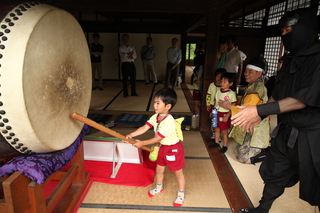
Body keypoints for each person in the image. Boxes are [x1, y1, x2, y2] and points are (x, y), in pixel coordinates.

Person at [232, 9, 320, 213]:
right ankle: (262, 209)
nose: (284, 36)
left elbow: (302, 99)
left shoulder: (317, 59)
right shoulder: (290, 59)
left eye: (289, 30)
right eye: (282, 31)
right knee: (275, 172)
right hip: (286, 129)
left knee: (316, 180)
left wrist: (260, 109)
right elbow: (278, 94)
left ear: (305, 30)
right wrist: (259, 114)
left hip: (312, 134)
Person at [125, 88, 185, 207]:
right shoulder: (156, 116)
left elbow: (158, 138)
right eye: (154, 102)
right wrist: (130, 135)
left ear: (168, 106)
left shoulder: (169, 121)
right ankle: (158, 187)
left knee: (178, 173)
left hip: (173, 149)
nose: (155, 105)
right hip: (161, 148)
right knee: (159, 170)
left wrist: (142, 143)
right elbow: (144, 127)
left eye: (158, 103)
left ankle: (181, 194)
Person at [220, 57, 270, 164]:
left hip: (255, 125)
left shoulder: (256, 89)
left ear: (259, 73)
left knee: (242, 158)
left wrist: (229, 106)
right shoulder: (254, 85)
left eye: (250, 72)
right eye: (246, 71)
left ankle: (267, 152)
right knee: (238, 149)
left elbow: (247, 111)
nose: (246, 74)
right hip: (249, 122)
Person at [209, 72, 237, 153]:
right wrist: (213, 111)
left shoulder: (231, 94)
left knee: (224, 131)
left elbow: (233, 106)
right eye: (221, 81)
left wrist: (227, 116)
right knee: (216, 129)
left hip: (224, 114)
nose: (222, 83)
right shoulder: (218, 92)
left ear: (231, 83)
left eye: (225, 82)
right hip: (216, 112)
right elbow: (216, 102)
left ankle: (225, 146)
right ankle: (216, 142)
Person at [206, 68, 227, 140]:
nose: (218, 78)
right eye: (217, 76)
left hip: (221, 107)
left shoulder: (224, 86)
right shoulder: (211, 85)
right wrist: (208, 104)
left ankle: (219, 135)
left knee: (220, 121)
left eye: (220, 77)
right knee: (213, 120)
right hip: (212, 106)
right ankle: (214, 133)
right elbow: (208, 95)